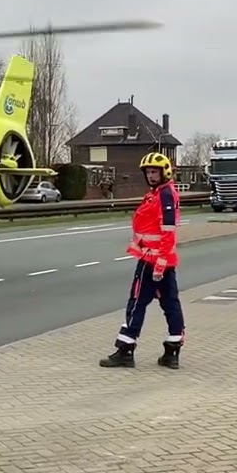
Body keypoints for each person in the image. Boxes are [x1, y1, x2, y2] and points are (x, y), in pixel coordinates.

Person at [99, 152, 186, 370]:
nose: (151, 175)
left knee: (136, 304)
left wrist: (160, 263)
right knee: (171, 304)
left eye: (155, 171)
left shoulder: (165, 195)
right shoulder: (157, 194)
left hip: (152, 262)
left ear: (164, 172)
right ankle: (172, 352)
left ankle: (125, 350)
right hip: (159, 261)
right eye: (148, 172)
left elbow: (168, 232)